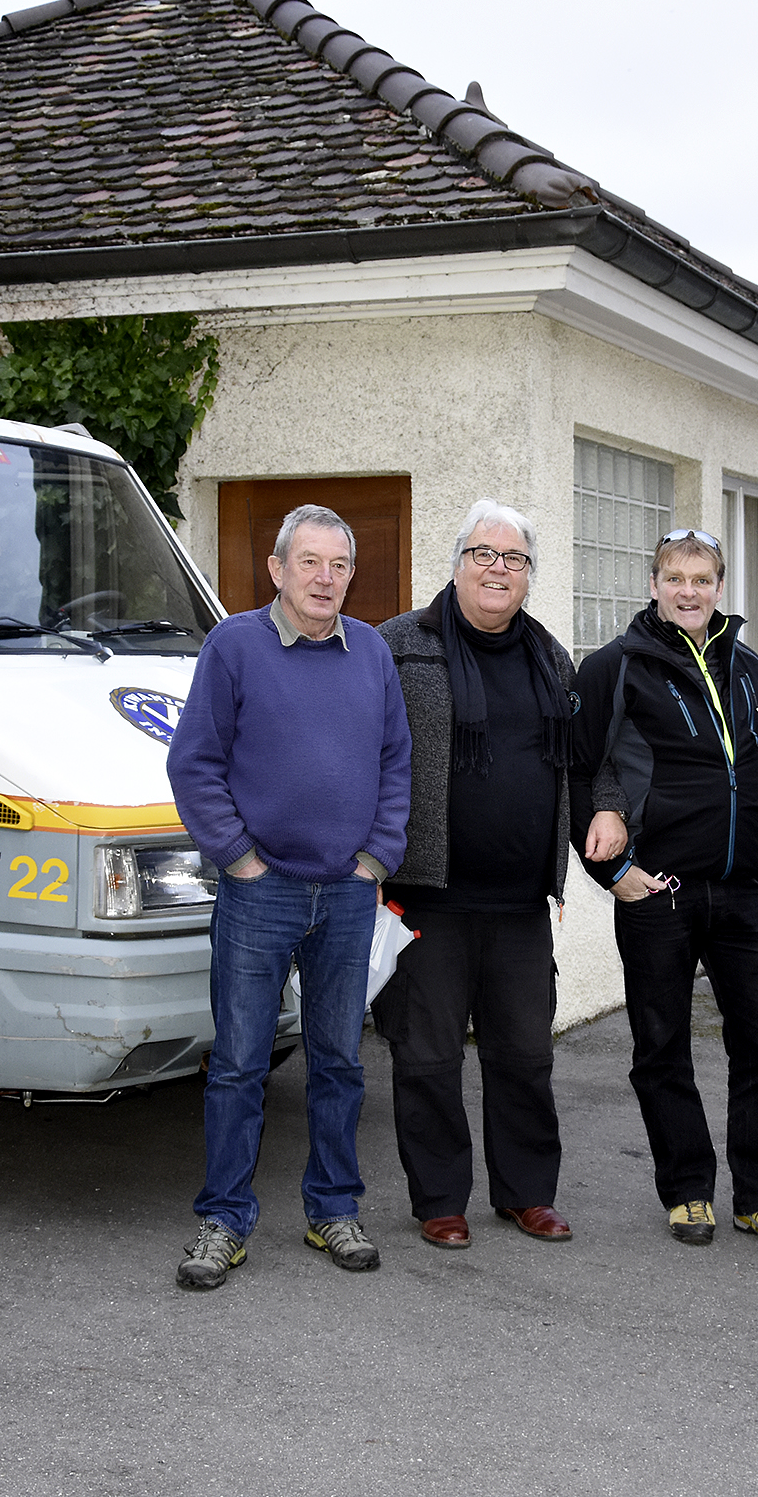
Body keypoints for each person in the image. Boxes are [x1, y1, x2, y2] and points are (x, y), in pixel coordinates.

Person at [166, 503, 411, 1287]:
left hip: (347, 893)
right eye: (309, 562)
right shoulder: (234, 645)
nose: (325, 578)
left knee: (339, 1060)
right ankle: (223, 1220)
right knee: (239, 1063)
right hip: (259, 892)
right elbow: (194, 763)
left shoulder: (370, 652)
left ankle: (333, 1208)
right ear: (277, 570)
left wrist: (375, 860)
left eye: (338, 565)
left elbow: (395, 763)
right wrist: (237, 858)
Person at [572, 528, 758, 1250]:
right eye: (675, 577)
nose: (688, 590)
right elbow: (579, 771)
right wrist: (613, 872)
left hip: (743, 887)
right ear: (653, 583)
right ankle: (687, 1189)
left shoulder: (748, 665)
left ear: (719, 587)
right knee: (662, 1047)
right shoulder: (614, 666)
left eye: (701, 579)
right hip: (659, 891)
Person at [375, 500, 578, 1250]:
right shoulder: (399, 646)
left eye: (514, 558)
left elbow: (576, 766)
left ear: (529, 575)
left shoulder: (551, 658)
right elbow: (369, 756)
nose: (499, 569)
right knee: (426, 1055)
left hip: (521, 899)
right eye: (484, 554)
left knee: (525, 1053)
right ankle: (439, 1199)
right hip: (427, 895)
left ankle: (526, 1194)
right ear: (456, 562)